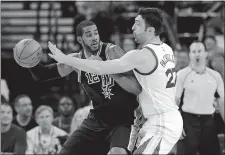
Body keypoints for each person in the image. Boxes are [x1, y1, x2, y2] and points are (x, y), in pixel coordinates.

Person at [48, 7, 183, 154]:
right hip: (159, 119)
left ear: (150, 30)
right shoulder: (166, 49)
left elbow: (100, 67)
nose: (132, 27)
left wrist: (66, 59)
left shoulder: (141, 55)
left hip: (161, 123)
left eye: (137, 24)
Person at [27, 20, 141, 155]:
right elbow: (43, 75)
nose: (94, 37)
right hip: (98, 120)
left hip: (123, 120)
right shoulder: (77, 60)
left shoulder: (112, 51)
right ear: (80, 39)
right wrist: (29, 60)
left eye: (96, 33)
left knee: (118, 152)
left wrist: (106, 68)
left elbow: (137, 87)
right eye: (89, 34)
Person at [176, 41, 224, 155]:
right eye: (194, 52)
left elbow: (222, 102)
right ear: (190, 55)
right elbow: (175, 102)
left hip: (208, 122)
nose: (197, 54)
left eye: (200, 51)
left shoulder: (215, 76)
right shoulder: (181, 75)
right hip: (188, 122)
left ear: (206, 54)